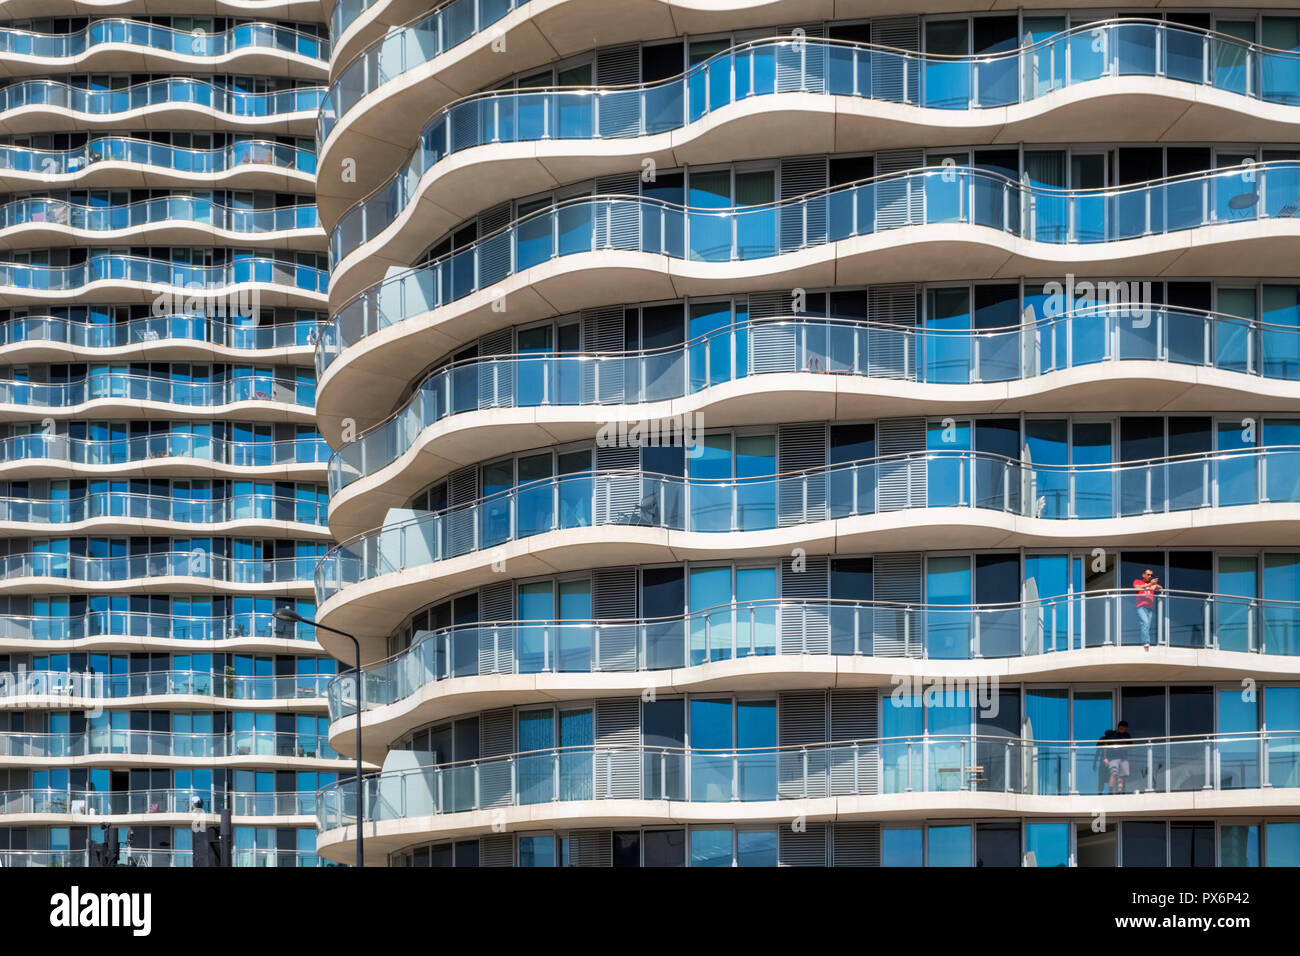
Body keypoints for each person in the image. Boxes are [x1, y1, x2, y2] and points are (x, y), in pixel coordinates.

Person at [1098, 721, 1133, 793]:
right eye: (1122, 728)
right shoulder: (1112, 735)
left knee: (1122, 776)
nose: (1123, 730)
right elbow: (1105, 746)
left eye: (1124, 729)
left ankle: (1119, 791)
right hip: (1112, 758)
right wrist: (1105, 757)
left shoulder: (1127, 735)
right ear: (1118, 727)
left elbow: (1130, 746)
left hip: (1123, 758)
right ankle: (1110, 791)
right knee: (1114, 774)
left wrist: (1124, 748)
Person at [1134, 568, 1161, 648]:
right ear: (1143, 575)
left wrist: (1155, 585)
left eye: (1151, 575)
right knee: (1145, 623)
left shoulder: (1152, 584)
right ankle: (1146, 642)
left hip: (1149, 608)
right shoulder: (1138, 581)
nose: (1150, 576)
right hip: (1141, 607)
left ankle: (1143, 642)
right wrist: (1149, 585)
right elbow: (1136, 588)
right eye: (1148, 574)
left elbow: (1161, 588)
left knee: (1146, 625)